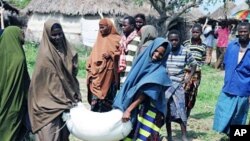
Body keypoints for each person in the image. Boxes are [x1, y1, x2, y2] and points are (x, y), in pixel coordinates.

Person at [28, 19, 81, 141]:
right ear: (47, 34)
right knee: (50, 135)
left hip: (66, 100)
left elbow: (72, 74)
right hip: (48, 103)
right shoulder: (45, 55)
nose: (57, 37)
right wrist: (63, 99)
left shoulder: (67, 49)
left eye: (59, 33)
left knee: (63, 135)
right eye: (54, 34)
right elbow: (50, 83)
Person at [113, 37, 172, 140]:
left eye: (161, 54)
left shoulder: (160, 72)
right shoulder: (142, 61)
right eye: (156, 51)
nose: (157, 55)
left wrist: (128, 110)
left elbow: (144, 94)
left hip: (148, 110)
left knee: (140, 136)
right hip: (133, 105)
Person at [213, 22, 250, 136]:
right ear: (238, 32)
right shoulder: (231, 46)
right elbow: (226, 64)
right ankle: (228, 134)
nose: (243, 33)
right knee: (223, 113)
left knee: (239, 117)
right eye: (241, 31)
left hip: (244, 89)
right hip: (228, 88)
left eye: (245, 31)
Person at [165, 30, 197, 141]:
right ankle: (169, 136)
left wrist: (188, 77)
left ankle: (184, 136)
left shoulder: (185, 51)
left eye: (176, 40)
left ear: (180, 40)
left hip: (178, 85)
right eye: (171, 40)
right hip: (166, 85)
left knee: (181, 111)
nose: (174, 42)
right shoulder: (165, 50)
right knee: (167, 111)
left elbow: (194, 64)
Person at [0, 26, 30, 141]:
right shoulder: (19, 56)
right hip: (15, 99)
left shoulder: (2, 49)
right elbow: (24, 79)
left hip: (3, 96)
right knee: (12, 125)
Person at [86, 18, 121, 112]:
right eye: (99, 28)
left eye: (103, 28)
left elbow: (120, 56)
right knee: (95, 104)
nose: (101, 30)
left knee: (106, 105)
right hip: (96, 76)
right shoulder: (99, 39)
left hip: (109, 77)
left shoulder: (117, 39)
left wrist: (111, 56)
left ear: (109, 27)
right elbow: (93, 55)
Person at [183, 23, 206, 118]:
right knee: (183, 92)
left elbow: (203, 59)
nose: (195, 34)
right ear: (191, 32)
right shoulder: (186, 44)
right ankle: (181, 111)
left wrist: (198, 67)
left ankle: (187, 112)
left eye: (197, 32)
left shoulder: (203, 46)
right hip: (186, 72)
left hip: (196, 74)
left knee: (193, 93)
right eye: (194, 32)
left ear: (201, 33)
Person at [119, 16, 140, 87]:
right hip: (122, 72)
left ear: (132, 26)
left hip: (131, 74)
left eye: (125, 25)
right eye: (122, 25)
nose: (122, 27)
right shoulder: (122, 40)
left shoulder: (137, 40)